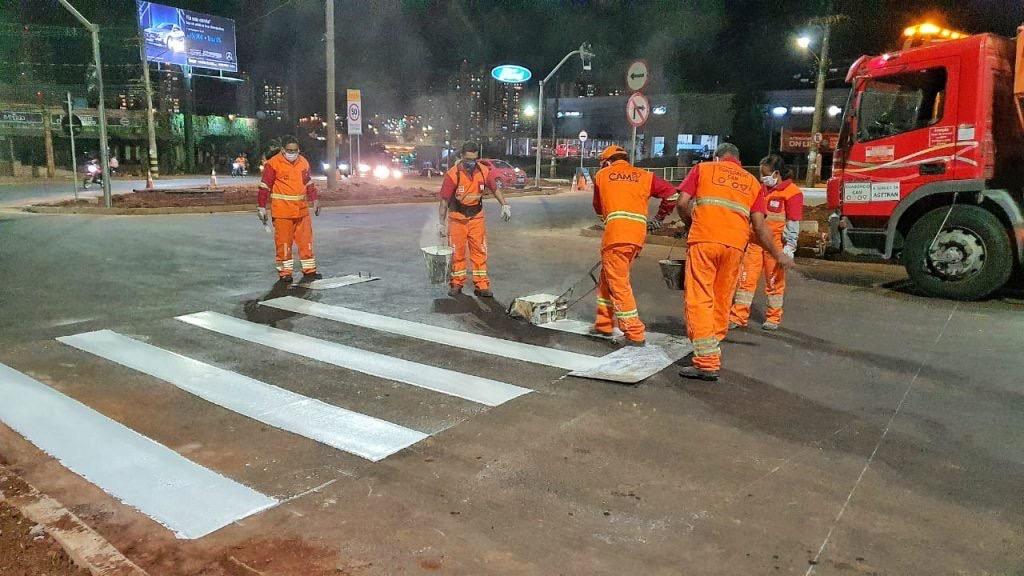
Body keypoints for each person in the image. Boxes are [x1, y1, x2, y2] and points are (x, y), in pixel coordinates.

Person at [675, 143, 795, 381]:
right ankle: (713, 345)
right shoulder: (752, 183)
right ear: (738, 160)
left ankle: (707, 361)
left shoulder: (703, 169)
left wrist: (691, 225)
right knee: (722, 298)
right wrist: (778, 253)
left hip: (705, 241)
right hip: (735, 247)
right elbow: (759, 226)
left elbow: (681, 203)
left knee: (700, 298)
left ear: (716, 157)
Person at [590, 145, 679, 346]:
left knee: (618, 283)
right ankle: (604, 323)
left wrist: (608, 222)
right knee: (608, 278)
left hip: (616, 236)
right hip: (636, 236)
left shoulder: (602, 175)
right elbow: (672, 195)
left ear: (607, 162)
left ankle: (634, 332)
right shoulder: (644, 176)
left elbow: (598, 207)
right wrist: (659, 217)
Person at [729, 155, 803, 331]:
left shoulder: (792, 192)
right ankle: (738, 316)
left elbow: (793, 222)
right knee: (745, 280)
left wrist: (790, 246)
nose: (762, 178)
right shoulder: (759, 189)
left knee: (774, 282)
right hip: (755, 242)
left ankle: (773, 317)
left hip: (775, 245)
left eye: (765, 174)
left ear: (776, 173)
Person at [438, 141, 511, 298]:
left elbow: (495, 188)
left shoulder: (484, 171)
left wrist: (504, 204)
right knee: (457, 253)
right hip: (457, 219)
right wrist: (441, 224)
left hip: (476, 218)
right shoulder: (453, 174)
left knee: (479, 251)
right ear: (461, 156)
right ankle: (456, 283)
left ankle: (481, 285)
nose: (471, 163)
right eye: (468, 159)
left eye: (474, 159)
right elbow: (444, 201)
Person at [258, 136, 321, 283]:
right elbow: (264, 186)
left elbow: (308, 182)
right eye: (289, 150)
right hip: (282, 212)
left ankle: (309, 270)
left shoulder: (303, 162)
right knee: (284, 244)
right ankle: (285, 273)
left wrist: (315, 199)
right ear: (282, 150)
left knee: (306, 242)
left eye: (295, 150)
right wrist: (261, 206)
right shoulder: (273, 164)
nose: (292, 153)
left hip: (302, 211)